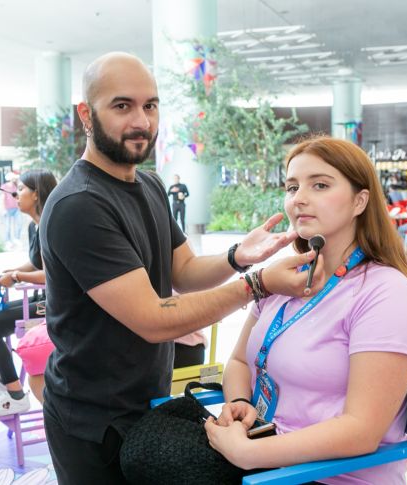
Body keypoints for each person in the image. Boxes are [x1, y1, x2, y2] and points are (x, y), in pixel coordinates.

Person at [38, 51, 327, 484]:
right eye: (122, 106)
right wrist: (258, 284)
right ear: (86, 114)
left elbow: (184, 269)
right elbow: (153, 321)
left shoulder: (149, 183)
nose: (141, 121)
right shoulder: (79, 204)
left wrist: (236, 258)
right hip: (92, 421)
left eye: (150, 105)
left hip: (149, 402)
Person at [204, 136, 407, 484]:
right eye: (292, 187)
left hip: (331, 475)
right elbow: (239, 362)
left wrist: (250, 454)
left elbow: (361, 430)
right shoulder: (286, 277)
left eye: (320, 185)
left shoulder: (387, 292)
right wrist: (240, 404)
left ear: (360, 201)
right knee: (149, 452)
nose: (299, 198)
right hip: (270, 455)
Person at [0, 169, 58, 416]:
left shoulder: (52, 226)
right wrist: (13, 272)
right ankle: (5, 380)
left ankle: (15, 394)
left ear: (37, 194)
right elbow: (36, 264)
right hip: (40, 296)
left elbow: (51, 274)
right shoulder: (35, 226)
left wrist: (18, 277)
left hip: (54, 303)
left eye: (21, 189)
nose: (15, 194)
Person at [1, 172, 22, 248]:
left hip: (17, 208)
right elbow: (3, 198)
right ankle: (8, 241)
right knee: (7, 227)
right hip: (7, 209)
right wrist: (4, 209)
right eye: (13, 178)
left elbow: (19, 195)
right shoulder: (4, 186)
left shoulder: (16, 186)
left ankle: (17, 239)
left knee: (19, 224)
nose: (14, 179)